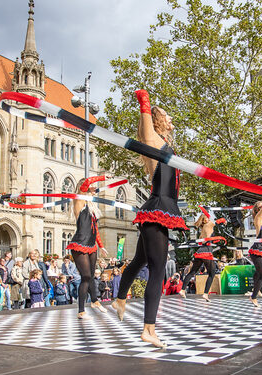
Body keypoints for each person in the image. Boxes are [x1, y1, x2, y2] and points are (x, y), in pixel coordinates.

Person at [113, 90, 188, 348]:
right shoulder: (154, 142)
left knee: (141, 260)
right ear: (157, 121)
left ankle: (120, 298)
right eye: (167, 117)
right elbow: (145, 132)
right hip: (158, 210)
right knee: (157, 270)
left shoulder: (166, 146)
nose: (172, 122)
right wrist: (145, 103)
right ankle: (148, 329)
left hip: (159, 211)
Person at [67, 176, 109, 319]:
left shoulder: (91, 209)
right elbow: (86, 183)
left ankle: (95, 301)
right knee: (85, 277)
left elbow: (95, 230)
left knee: (91, 276)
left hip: (92, 245)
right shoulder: (79, 201)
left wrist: (101, 246)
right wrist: (104, 177)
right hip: (80, 243)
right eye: (92, 187)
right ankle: (81, 311)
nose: (94, 189)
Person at [180, 211, 217, 302]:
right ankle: (205, 294)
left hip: (200, 252)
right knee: (212, 274)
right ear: (205, 219)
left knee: (192, 272)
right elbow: (217, 222)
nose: (210, 218)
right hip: (206, 252)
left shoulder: (202, 230)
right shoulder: (209, 225)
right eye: (208, 217)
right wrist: (223, 220)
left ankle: (182, 289)